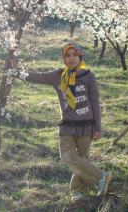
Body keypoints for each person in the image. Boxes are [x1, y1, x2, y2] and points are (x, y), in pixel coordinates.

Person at [21, 42, 112, 200]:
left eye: (74, 55)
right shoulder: (58, 75)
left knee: (82, 158)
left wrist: (98, 128)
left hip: (86, 124)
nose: (71, 58)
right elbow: (36, 76)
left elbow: (95, 102)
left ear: (80, 56)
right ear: (64, 58)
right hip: (67, 125)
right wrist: (14, 71)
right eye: (67, 55)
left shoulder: (88, 76)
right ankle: (101, 177)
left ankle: (78, 191)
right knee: (67, 156)